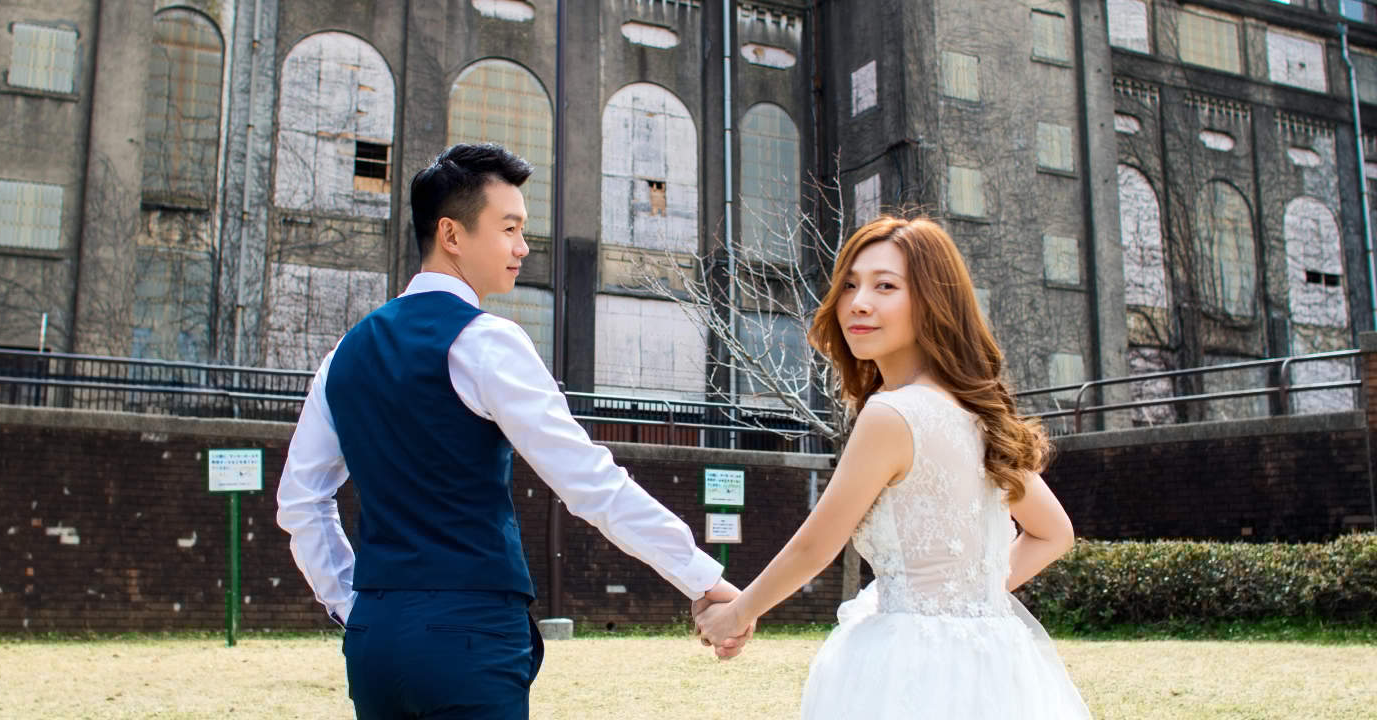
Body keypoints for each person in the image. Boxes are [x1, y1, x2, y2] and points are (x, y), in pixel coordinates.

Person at [276, 143, 747, 720]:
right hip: (469, 635)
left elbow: (301, 502)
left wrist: (354, 605)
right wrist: (700, 577)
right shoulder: (484, 340)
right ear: (452, 234)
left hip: (376, 641)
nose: (523, 247)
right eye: (510, 228)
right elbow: (588, 482)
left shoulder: (341, 355)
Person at [695, 216, 1090, 718]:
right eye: (850, 285)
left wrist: (738, 613)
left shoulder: (890, 414)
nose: (858, 302)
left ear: (932, 301)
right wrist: (961, 601)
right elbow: (1054, 533)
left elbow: (817, 545)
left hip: (912, 669)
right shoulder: (976, 413)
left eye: (885, 286)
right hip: (998, 665)